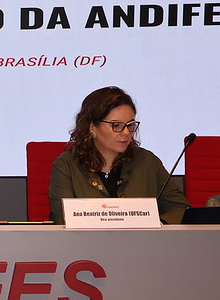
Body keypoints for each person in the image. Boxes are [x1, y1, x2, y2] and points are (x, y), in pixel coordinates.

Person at [48, 86, 190, 224]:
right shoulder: (66, 165)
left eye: (130, 125)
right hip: (86, 240)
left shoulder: (147, 161)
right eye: (116, 125)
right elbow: (63, 220)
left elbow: (180, 207)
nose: (126, 132)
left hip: (142, 240)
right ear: (92, 127)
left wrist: (157, 225)